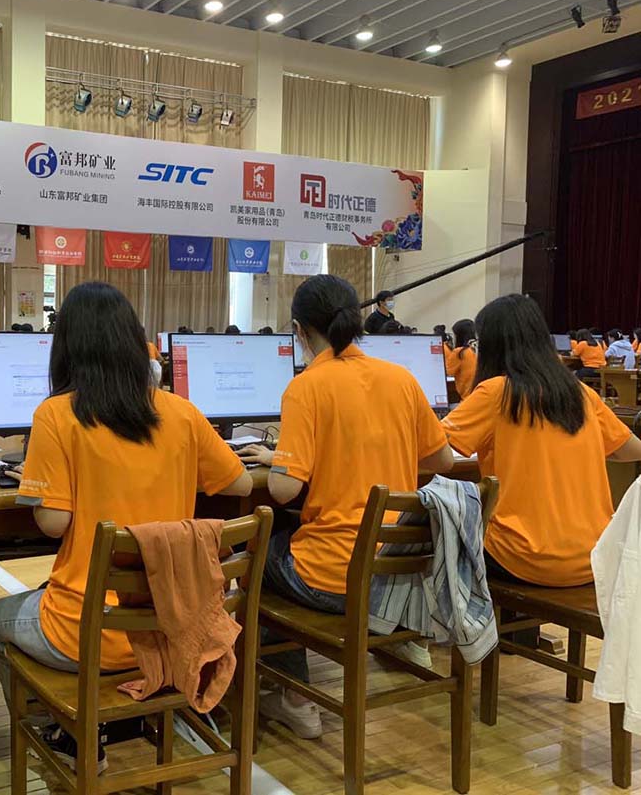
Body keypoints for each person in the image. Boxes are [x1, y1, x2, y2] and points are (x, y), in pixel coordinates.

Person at [0, 282, 251, 772]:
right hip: (175, 626)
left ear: (66, 346)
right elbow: (240, 483)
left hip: (89, 634)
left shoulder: (56, 415)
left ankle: (67, 734)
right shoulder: (181, 411)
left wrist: (45, 481)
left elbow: (53, 523)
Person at [237, 275, 452, 739]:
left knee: (255, 553)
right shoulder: (401, 379)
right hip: (397, 576)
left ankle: (295, 698)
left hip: (337, 577)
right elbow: (443, 461)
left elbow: (283, 492)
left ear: (299, 330)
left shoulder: (307, 387)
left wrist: (290, 460)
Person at [443, 295, 641, 588]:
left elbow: (436, 449)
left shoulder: (495, 392)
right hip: (594, 556)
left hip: (523, 557)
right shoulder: (581, 393)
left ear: (492, 345)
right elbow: (629, 449)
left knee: (440, 533)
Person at [446, 318, 478, 400]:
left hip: (467, 397)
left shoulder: (459, 352)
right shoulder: (479, 349)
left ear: (459, 336)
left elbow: (448, 372)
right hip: (482, 394)